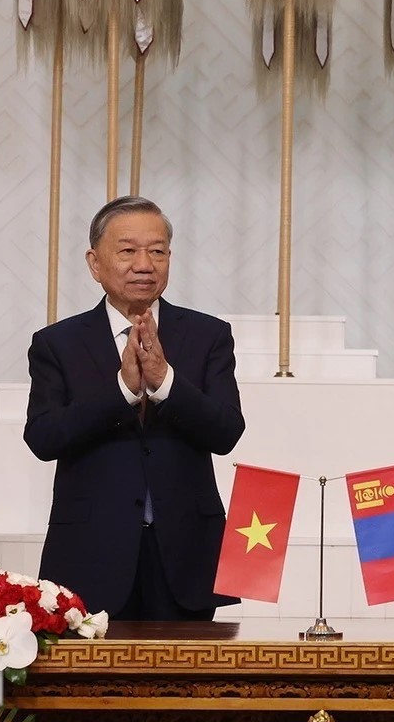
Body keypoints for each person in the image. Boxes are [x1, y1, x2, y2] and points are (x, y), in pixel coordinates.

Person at [24, 196, 245, 621]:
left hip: (186, 557)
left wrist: (166, 383)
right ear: (95, 263)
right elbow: (43, 437)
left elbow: (226, 431)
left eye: (157, 251)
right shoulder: (58, 343)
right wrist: (122, 392)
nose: (144, 264)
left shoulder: (208, 336)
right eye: (127, 251)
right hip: (90, 554)